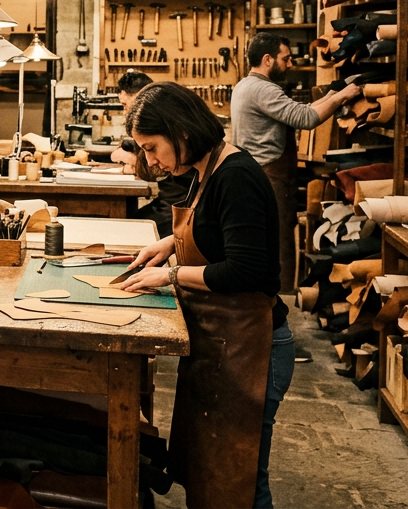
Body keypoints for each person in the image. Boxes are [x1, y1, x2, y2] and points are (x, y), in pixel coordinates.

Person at [119, 82, 292, 509]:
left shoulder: (235, 176)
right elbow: (215, 234)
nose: (149, 160)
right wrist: (169, 243)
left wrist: (170, 275)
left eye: (152, 147)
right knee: (213, 475)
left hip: (253, 348)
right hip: (223, 343)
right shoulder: (206, 169)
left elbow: (245, 270)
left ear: (181, 131)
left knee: (241, 483)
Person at [231, 33, 361, 291]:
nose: (290, 64)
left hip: (256, 175)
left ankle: (267, 295)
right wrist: (343, 96)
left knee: (268, 239)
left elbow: (303, 109)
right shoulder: (264, 89)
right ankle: (280, 297)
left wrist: (332, 94)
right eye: (286, 59)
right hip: (268, 177)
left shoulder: (245, 85)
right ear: (267, 60)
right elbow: (306, 118)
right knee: (278, 241)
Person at [110, 69, 191, 236]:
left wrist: (132, 161)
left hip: (175, 205)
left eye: (125, 105)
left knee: (128, 231)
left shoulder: (163, 124)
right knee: (129, 225)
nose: (125, 111)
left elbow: (150, 171)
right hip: (170, 202)